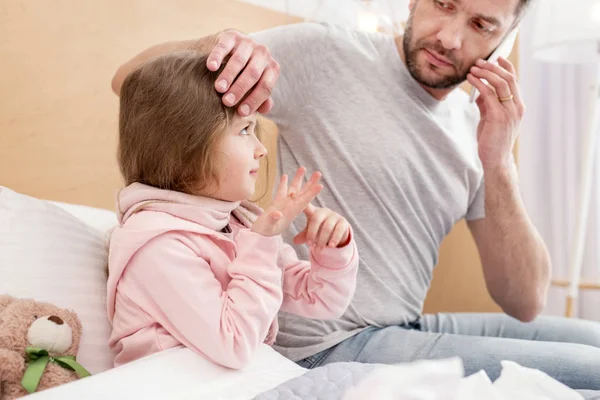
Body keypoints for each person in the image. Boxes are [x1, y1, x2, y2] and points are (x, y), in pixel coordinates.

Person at [110, 0, 600, 390]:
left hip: (404, 327)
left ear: (505, 39)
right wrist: (216, 44)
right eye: (444, 4)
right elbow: (131, 82)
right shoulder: (323, 53)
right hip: (327, 343)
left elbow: (526, 301)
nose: (450, 38)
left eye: (481, 25)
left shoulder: (480, 128)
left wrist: (500, 162)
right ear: (413, 0)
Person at [105, 51, 359, 369]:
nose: (261, 149)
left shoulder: (234, 223)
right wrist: (263, 241)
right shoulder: (157, 245)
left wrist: (333, 249)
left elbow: (322, 301)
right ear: (187, 148)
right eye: (243, 131)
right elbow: (234, 343)